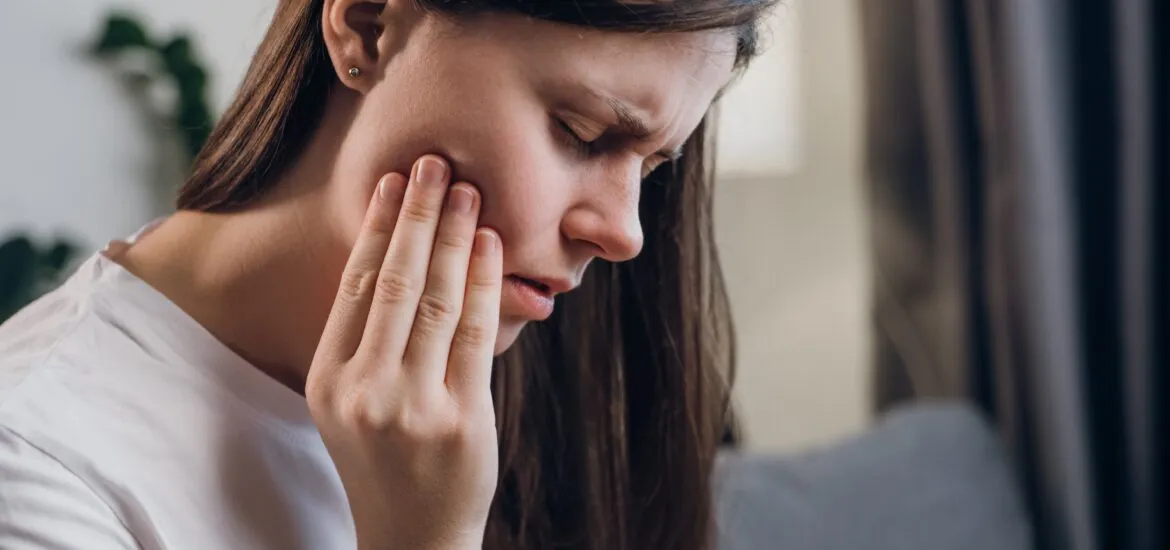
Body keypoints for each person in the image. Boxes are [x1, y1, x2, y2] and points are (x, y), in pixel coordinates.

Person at [0, 0, 776, 548]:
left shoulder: (564, 392)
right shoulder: (39, 467)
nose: (623, 233)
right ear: (369, 25)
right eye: (581, 133)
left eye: (652, 168)